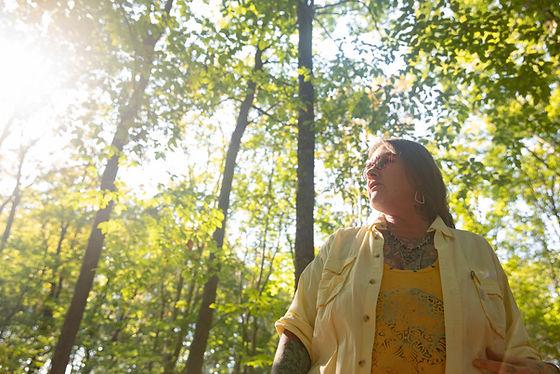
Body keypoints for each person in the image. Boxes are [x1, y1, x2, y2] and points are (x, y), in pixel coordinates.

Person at [271, 138, 559, 373]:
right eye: (367, 168)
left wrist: (543, 371)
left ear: (420, 174)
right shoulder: (340, 246)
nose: (370, 173)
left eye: (383, 162)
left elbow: (518, 349)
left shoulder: (477, 251)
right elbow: (297, 334)